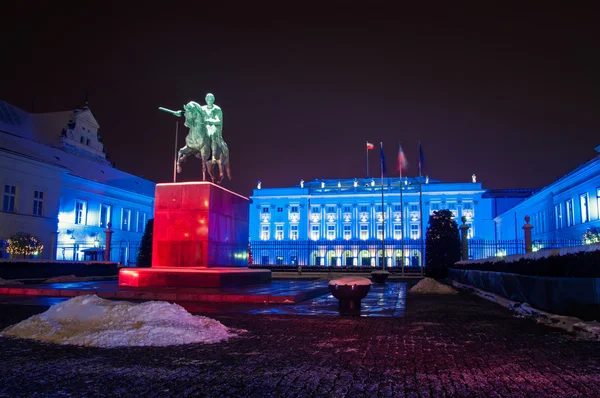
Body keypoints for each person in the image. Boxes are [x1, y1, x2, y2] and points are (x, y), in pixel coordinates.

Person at [200, 93, 224, 161]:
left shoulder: (217, 109)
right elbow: (194, 113)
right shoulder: (202, 108)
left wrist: (209, 120)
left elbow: (219, 121)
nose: (209, 100)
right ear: (206, 99)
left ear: (213, 100)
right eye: (208, 99)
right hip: (204, 127)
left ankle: (213, 155)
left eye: (211, 99)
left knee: (212, 134)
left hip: (213, 127)